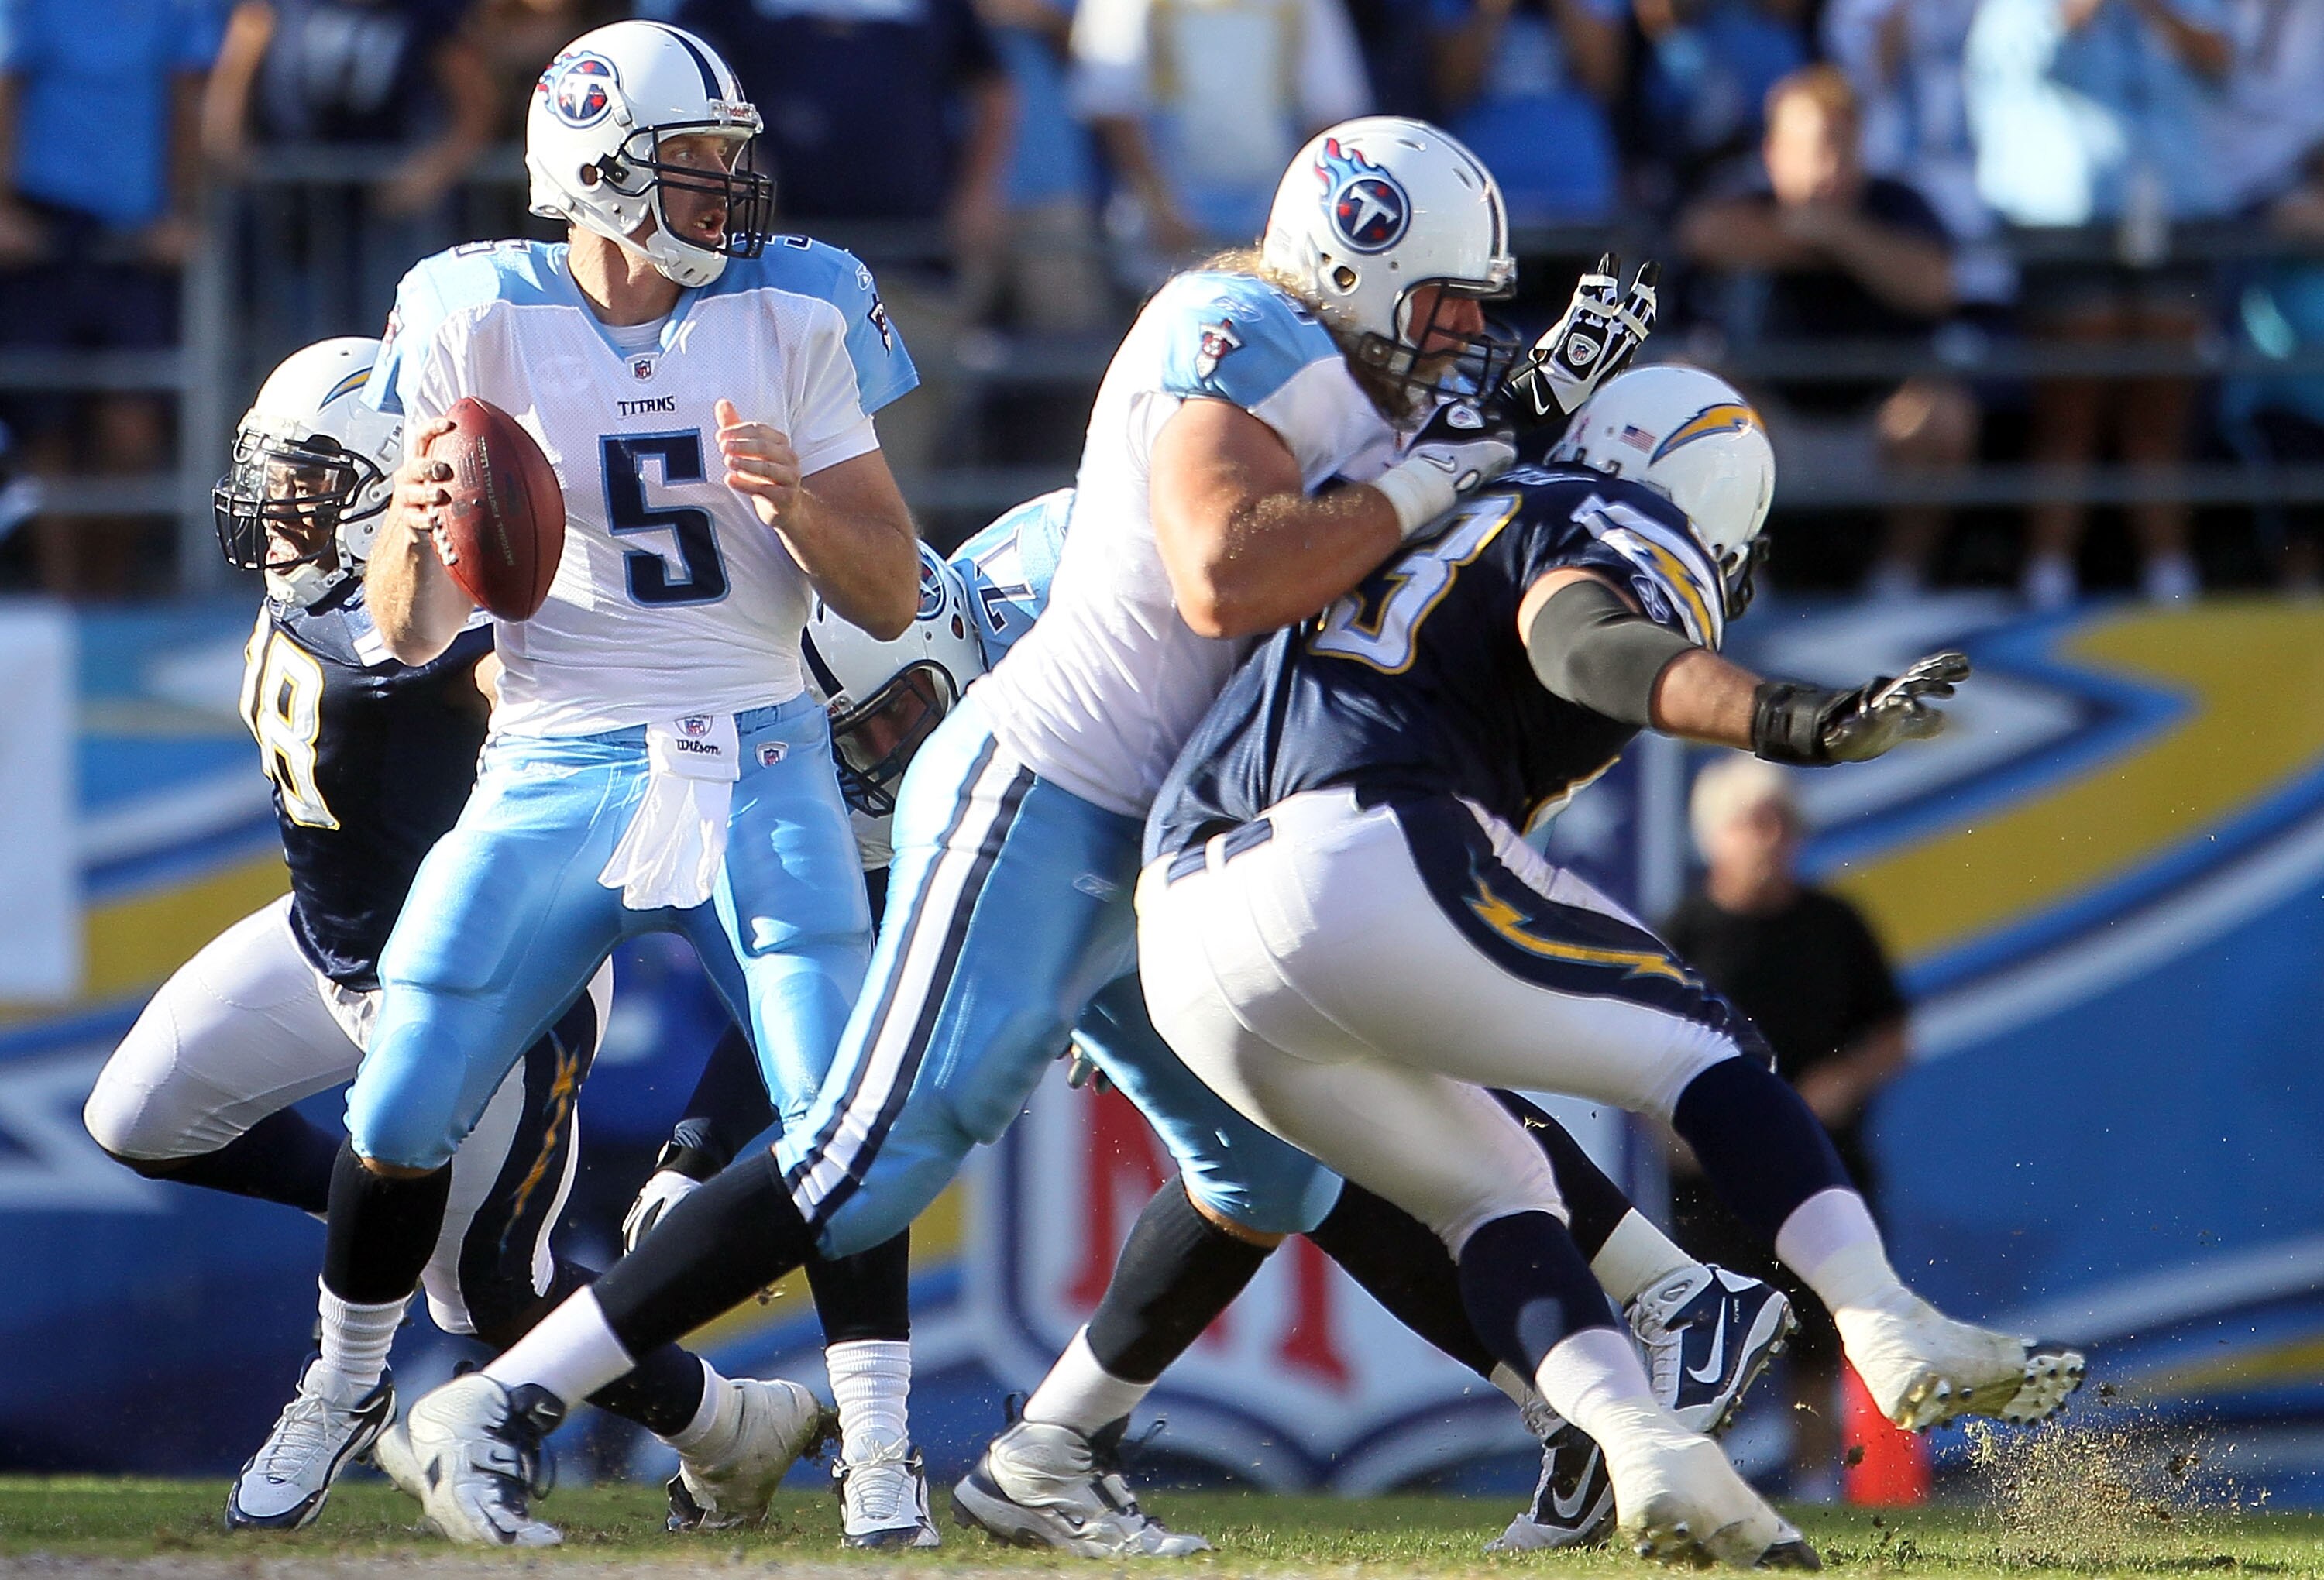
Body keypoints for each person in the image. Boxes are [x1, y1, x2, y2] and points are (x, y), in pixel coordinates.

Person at [391, 115, 1660, 1549]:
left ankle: (1052, 1461)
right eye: (1444, 303)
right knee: (869, 1158)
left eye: (1483, 311)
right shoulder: (1229, 327)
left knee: (1276, 1163)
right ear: (1350, 263)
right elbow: (1229, 575)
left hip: (1154, 841)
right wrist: (1457, 462)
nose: (1465, 335)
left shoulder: (1355, 395)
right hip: (1050, 792)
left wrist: (1510, 433)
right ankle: (497, 1405)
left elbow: (1383, 530)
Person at [626, 484, 1796, 1556]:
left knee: (1324, 1059)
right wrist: (697, 1142)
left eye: (885, 731)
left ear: (928, 632)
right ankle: (1594, 1373)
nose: (877, 768)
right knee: (1299, 1133)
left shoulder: (1059, 577)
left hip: (1351, 735)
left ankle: (1667, 1298)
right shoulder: (946, 722)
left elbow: (1261, 647)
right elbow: (850, 974)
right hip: (1231, 812)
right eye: (853, 756)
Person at [1134, 362, 2083, 1565]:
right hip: (1357, 847)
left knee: (1495, 1193)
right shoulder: (1604, 516)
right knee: (1704, 1044)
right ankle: (1885, 1321)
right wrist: (1788, 719)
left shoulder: (1426, 501)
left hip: (1180, 931)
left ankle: (1643, 1449)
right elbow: (1581, 640)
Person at [243, 20, 928, 1550]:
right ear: (598, 174)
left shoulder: (800, 302)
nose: (727, 191)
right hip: (557, 757)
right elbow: (414, 629)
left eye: (727, 161)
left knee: (845, 1116)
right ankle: (341, 1390)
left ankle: (881, 1446)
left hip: (757, 753)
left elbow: (886, 595)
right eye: (692, 164)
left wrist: (797, 502)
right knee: (403, 1095)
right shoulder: (469, 308)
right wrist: (419, 520)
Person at [80, 338, 822, 1535]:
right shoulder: (318, 588)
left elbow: (561, 695)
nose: (277, 505)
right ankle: (407, 1236)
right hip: (326, 942)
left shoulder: (476, 626)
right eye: (271, 474)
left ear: (395, 485)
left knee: (485, 1301)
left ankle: (711, 1423)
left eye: (309, 478)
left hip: (478, 990)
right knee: (138, 1120)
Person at [1662, 755, 1909, 1498]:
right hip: (1717, 1176)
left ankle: (1814, 1481)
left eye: (1782, 823)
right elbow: (1637, 1044)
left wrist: (1842, 1083)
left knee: (1818, 1330)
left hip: (1821, 1169)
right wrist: (1668, 1128)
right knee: (1715, 1333)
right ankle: (1700, 1479)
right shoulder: (1680, 934)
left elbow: (1890, 1032)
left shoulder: (1835, 925)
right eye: (1752, 823)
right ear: (1713, 838)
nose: (1770, 839)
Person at [671, 0, 1014, 479]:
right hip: (771, 269)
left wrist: (978, 190)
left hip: (909, 264)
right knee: (757, 458)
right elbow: (683, 81)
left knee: (896, 464)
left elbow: (992, 86)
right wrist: (735, 163)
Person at [1964, 0, 2233, 607]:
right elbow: (2018, 67)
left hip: (2170, 218)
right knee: (2070, 413)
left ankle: (2171, 579)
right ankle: (2047, 577)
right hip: (2064, 225)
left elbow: (2221, 65)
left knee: (2160, 414)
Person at [1678, 64, 1976, 596]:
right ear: (1773, 153)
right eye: (1815, 147)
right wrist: (1810, 239)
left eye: (1844, 146)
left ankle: (1897, 582)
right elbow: (1704, 236)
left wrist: (1839, 236)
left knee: (1943, 415)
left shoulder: (1897, 204)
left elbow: (1935, 284)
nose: (1831, 165)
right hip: (1767, 425)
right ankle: (1743, 582)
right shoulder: (1740, 196)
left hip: (1877, 426)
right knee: (1688, 396)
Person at [0, 0, 219, 597]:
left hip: (137, 240)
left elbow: (188, 100)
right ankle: (62, 597)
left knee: (133, 430)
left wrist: (181, 209)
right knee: (42, 429)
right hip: (40, 232)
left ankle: (102, 596)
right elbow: (6, 88)